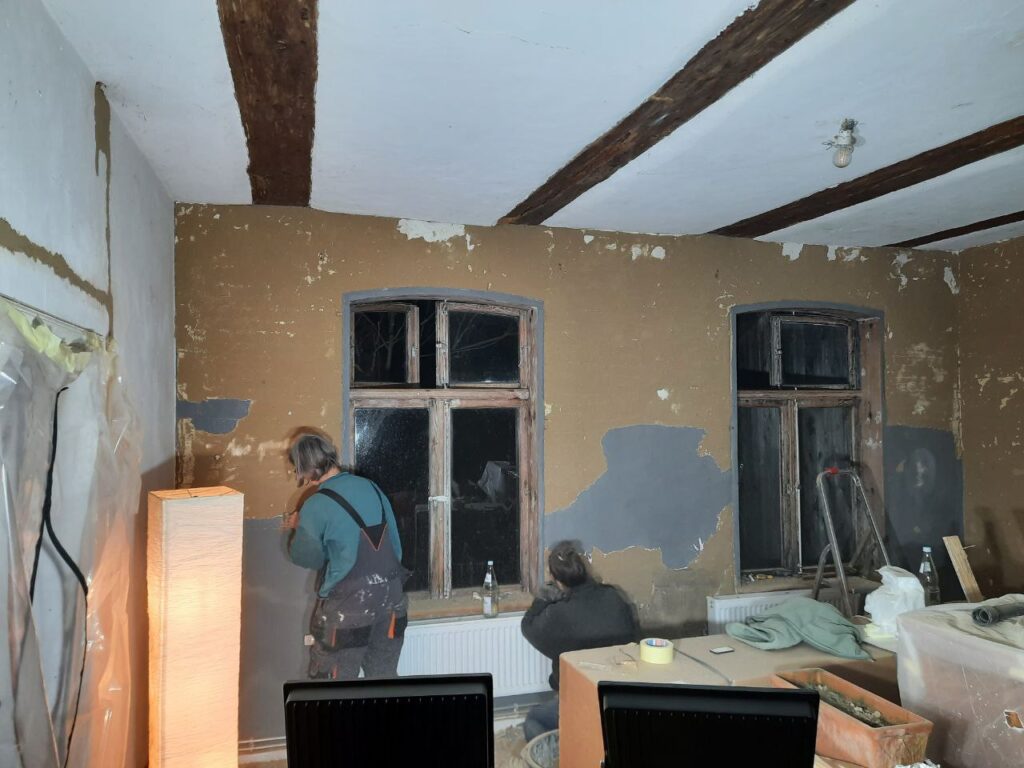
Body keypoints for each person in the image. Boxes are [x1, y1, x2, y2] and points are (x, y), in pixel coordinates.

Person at [283, 431, 408, 680]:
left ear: (306, 467)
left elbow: (306, 558)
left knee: (336, 689)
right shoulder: (371, 487)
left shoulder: (315, 505)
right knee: (384, 681)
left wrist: (298, 526)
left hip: (347, 612)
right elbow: (396, 548)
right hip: (392, 605)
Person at [520, 540, 639, 741]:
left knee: (534, 719)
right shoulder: (614, 597)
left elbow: (528, 626)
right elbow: (632, 634)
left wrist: (542, 599)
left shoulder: (559, 614)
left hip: (583, 699)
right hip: (619, 697)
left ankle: (566, 752)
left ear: (557, 580)